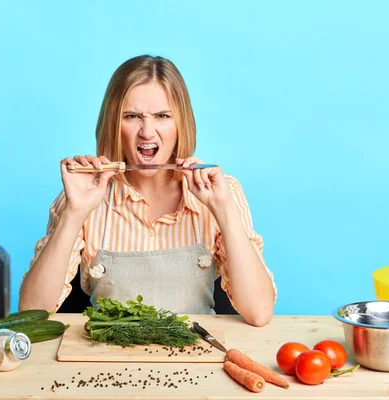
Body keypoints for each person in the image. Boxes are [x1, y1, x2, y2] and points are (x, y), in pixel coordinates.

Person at [18, 55, 277, 326]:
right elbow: (31, 313)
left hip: (195, 355)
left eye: (162, 116)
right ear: (113, 125)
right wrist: (75, 212)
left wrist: (223, 208)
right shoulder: (82, 196)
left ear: (180, 125)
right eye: (131, 116)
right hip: (106, 358)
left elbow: (258, 312)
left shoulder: (224, 192)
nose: (147, 132)